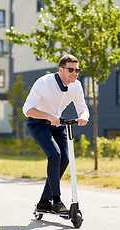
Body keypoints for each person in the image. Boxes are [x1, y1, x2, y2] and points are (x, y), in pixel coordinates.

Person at [23, 54, 89, 214]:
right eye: (71, 70)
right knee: (55, 155)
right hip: (39, 122)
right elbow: (27, 109)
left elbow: (83, 108)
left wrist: (82, 117)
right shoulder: (44, 82)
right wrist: (48, 116)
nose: (75, 73)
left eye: (77, 70)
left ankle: (44, 202)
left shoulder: (77, 86)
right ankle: (57, 201)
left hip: (58, 124)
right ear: (61, 69)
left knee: (64, 159)